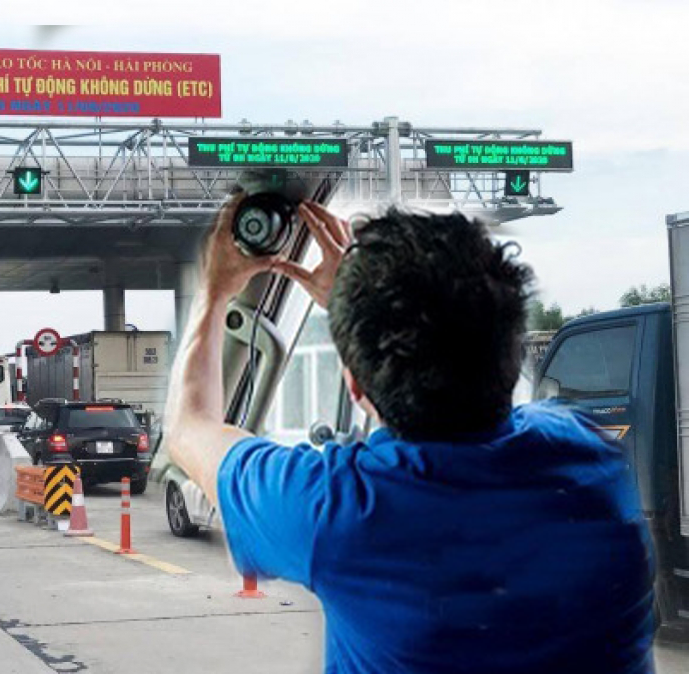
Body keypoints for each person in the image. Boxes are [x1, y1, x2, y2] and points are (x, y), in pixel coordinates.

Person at [165, 197, 654, 673]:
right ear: (511, 347)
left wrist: (213, 291)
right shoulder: (595, 459)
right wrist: (355, 316)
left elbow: (189, 427)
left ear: (353, 382)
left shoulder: (341, 512)